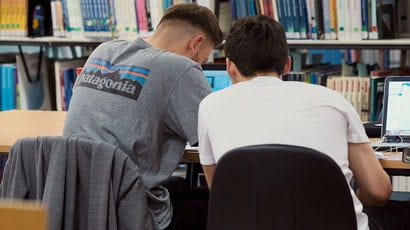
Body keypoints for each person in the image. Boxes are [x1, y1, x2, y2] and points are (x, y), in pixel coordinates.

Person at [198, 15, 392, 230]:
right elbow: (378, 191)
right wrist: (356, 196)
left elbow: (220, 190)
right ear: (287, 64)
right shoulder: (333, 99)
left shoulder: (210, 105)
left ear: (229, 66)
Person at [63, 3, 223, 229]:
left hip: (75, 200)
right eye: (203, 60)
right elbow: (218, 139)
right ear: (195, 43)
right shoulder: (182, 68)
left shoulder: (104, 50)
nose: (200, 65)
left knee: (177, 185)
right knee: (216, 203)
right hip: (129, 207)